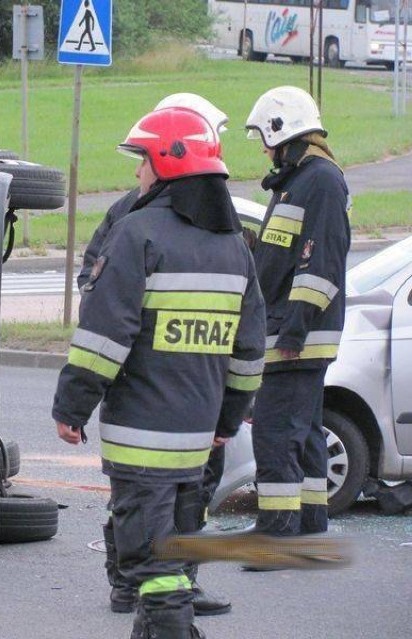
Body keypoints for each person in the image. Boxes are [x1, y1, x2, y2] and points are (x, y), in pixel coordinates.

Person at [52, 107, 265, 639]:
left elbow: (103, 339)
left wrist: (71, 407)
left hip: (139, 441)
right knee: (171, 554)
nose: (137, 175)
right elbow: (249, 351)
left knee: (153, 566)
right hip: (197, 441)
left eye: (141, 161)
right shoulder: (235, 246)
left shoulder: (136, 234)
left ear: (167, 163)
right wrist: (229, 419)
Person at [78, 93, 234, 617]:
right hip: (175, 410)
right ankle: (142, 585)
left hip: (174, 413)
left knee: (158, 506)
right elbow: (99, 296)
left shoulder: (217, 229)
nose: (139, 171)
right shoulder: (134, 219)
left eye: (142, 159)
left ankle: (163, 587)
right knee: (144, 509)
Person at [244, 86, 351, 544]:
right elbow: (285, 256)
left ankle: (276, 533)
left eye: (266, 138)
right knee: (303, 432)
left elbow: (321, 262)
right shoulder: (299, 180)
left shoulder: (321, 180)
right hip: (293, 332)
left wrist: (294, 329)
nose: (265, 149)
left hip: (295, 336)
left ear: (282, 129)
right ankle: (309, 523)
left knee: (273, 433)